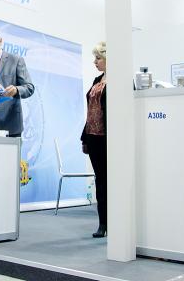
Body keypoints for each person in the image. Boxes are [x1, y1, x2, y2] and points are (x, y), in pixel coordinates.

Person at [81, 42, 107, 238]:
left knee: (112, 181)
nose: (95, 62)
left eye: (98, 58)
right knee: (100, 181)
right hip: (93, 137)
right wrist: (84, 138)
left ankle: (118, 223)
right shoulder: (97, 80)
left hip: (110, 138)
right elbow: (90, 111)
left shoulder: (122, 80)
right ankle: (103, 223)